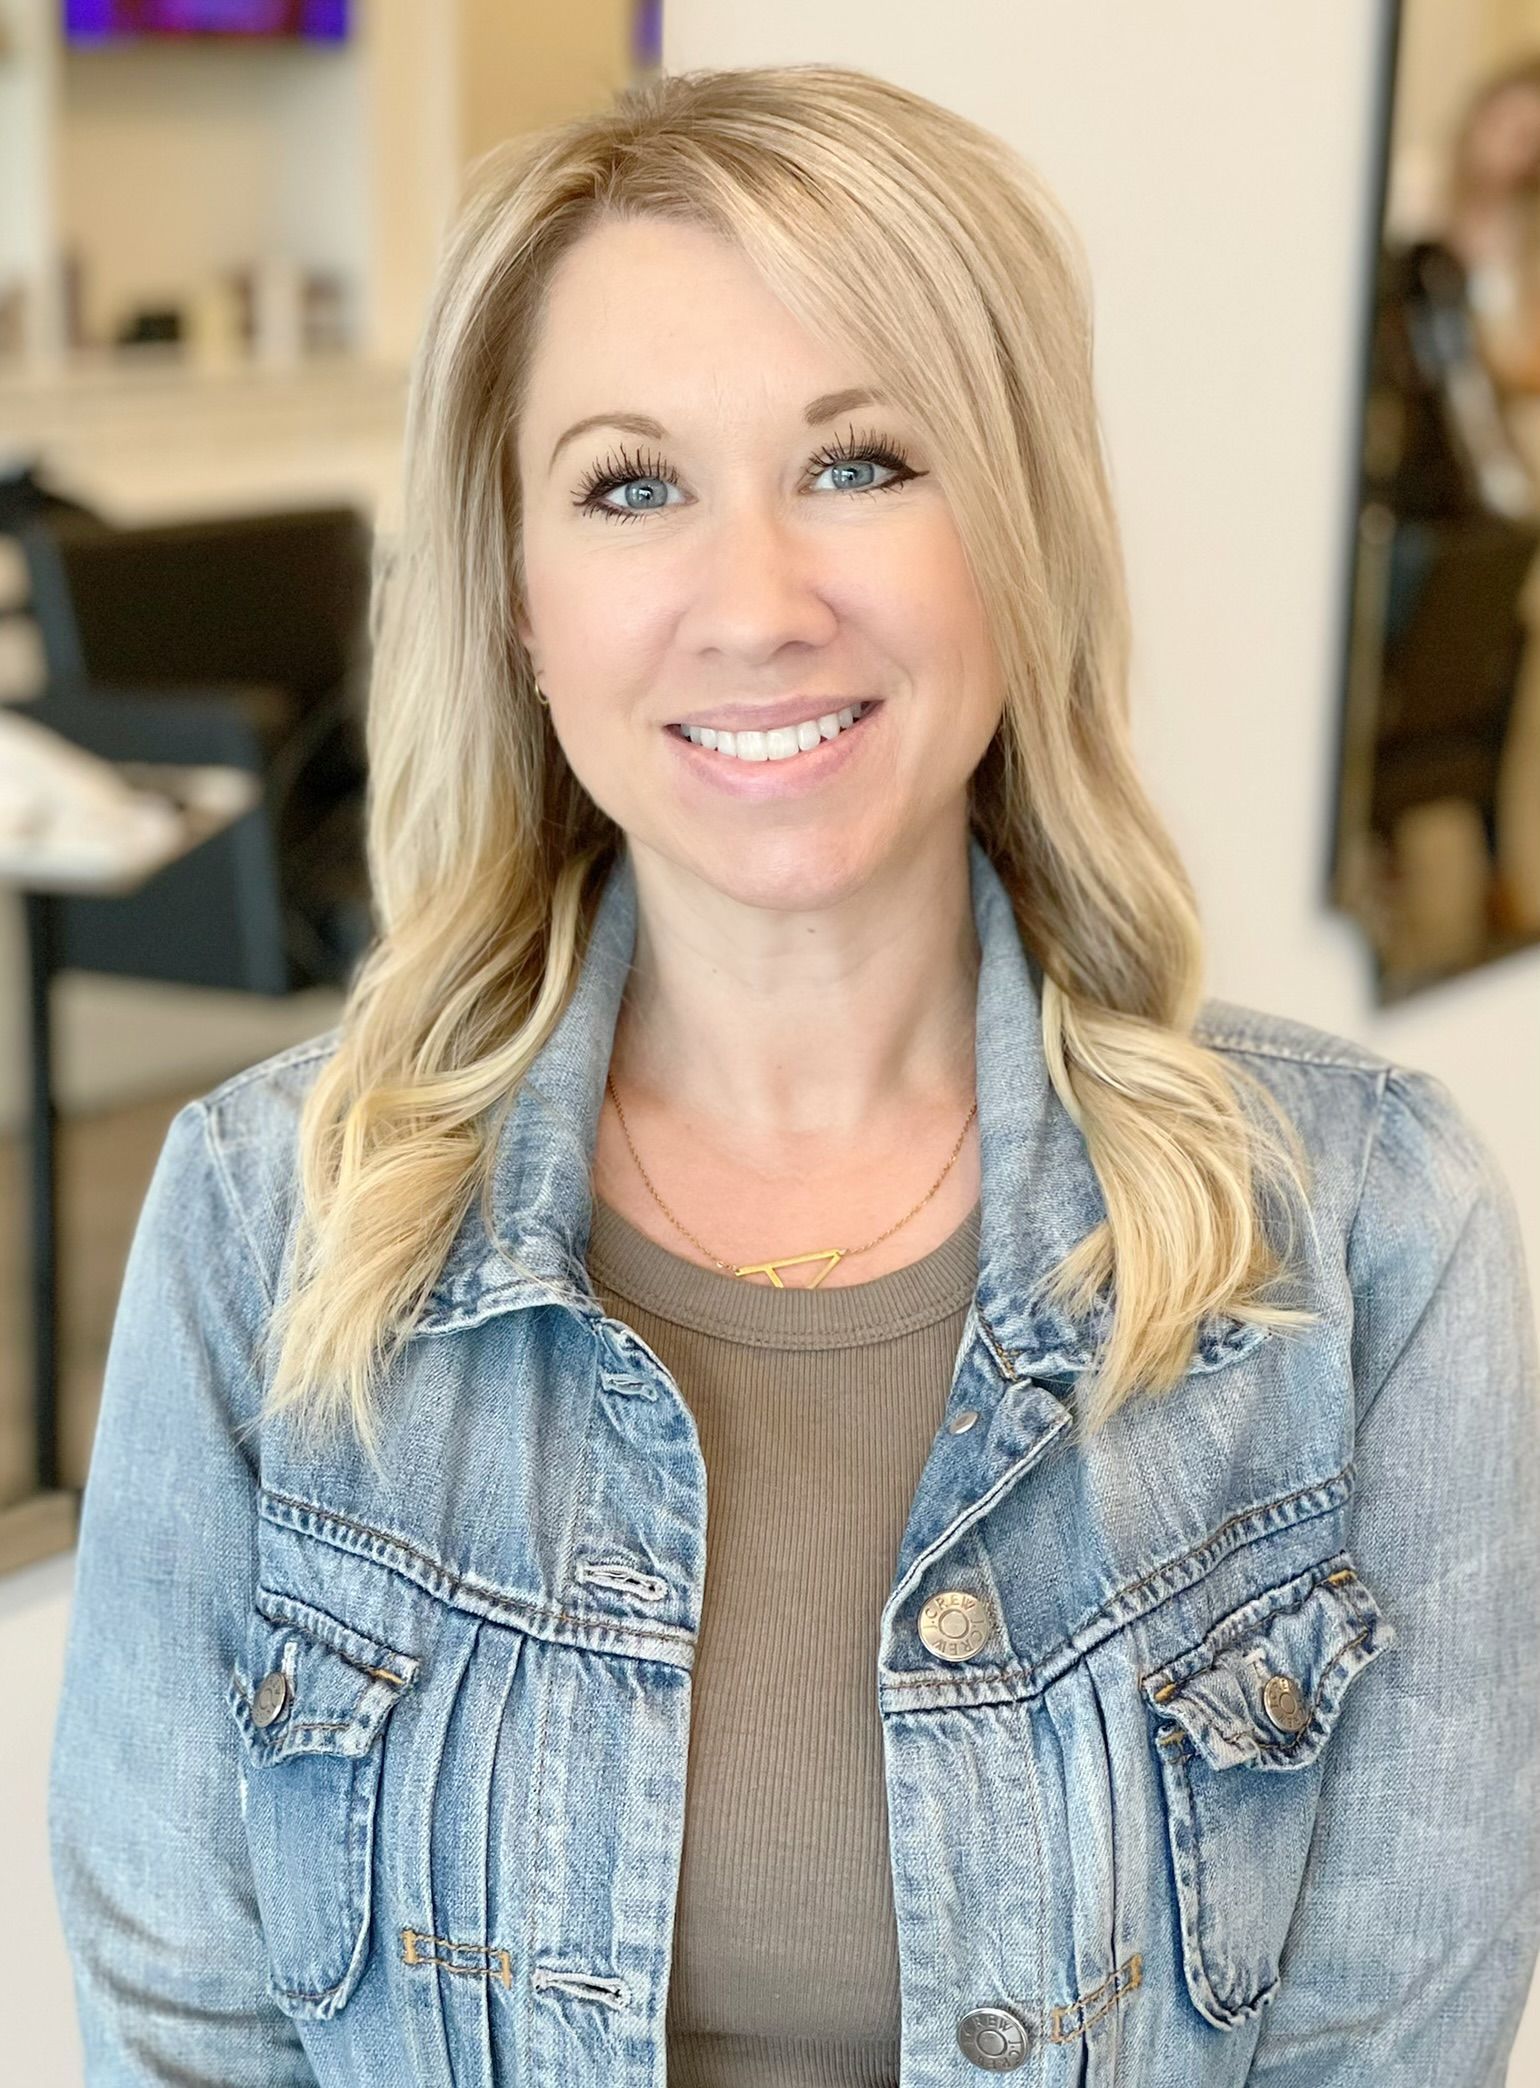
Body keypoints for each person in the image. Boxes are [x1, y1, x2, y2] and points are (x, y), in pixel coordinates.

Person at [48, 61, 1540, 2088]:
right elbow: (186, 2035)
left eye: (856, 461)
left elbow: (1388, 2051)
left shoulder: (1364, 1234)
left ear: (1015, 531)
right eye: (629, 485)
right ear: (512, 600)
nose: (752, 604)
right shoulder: (264, 1220)